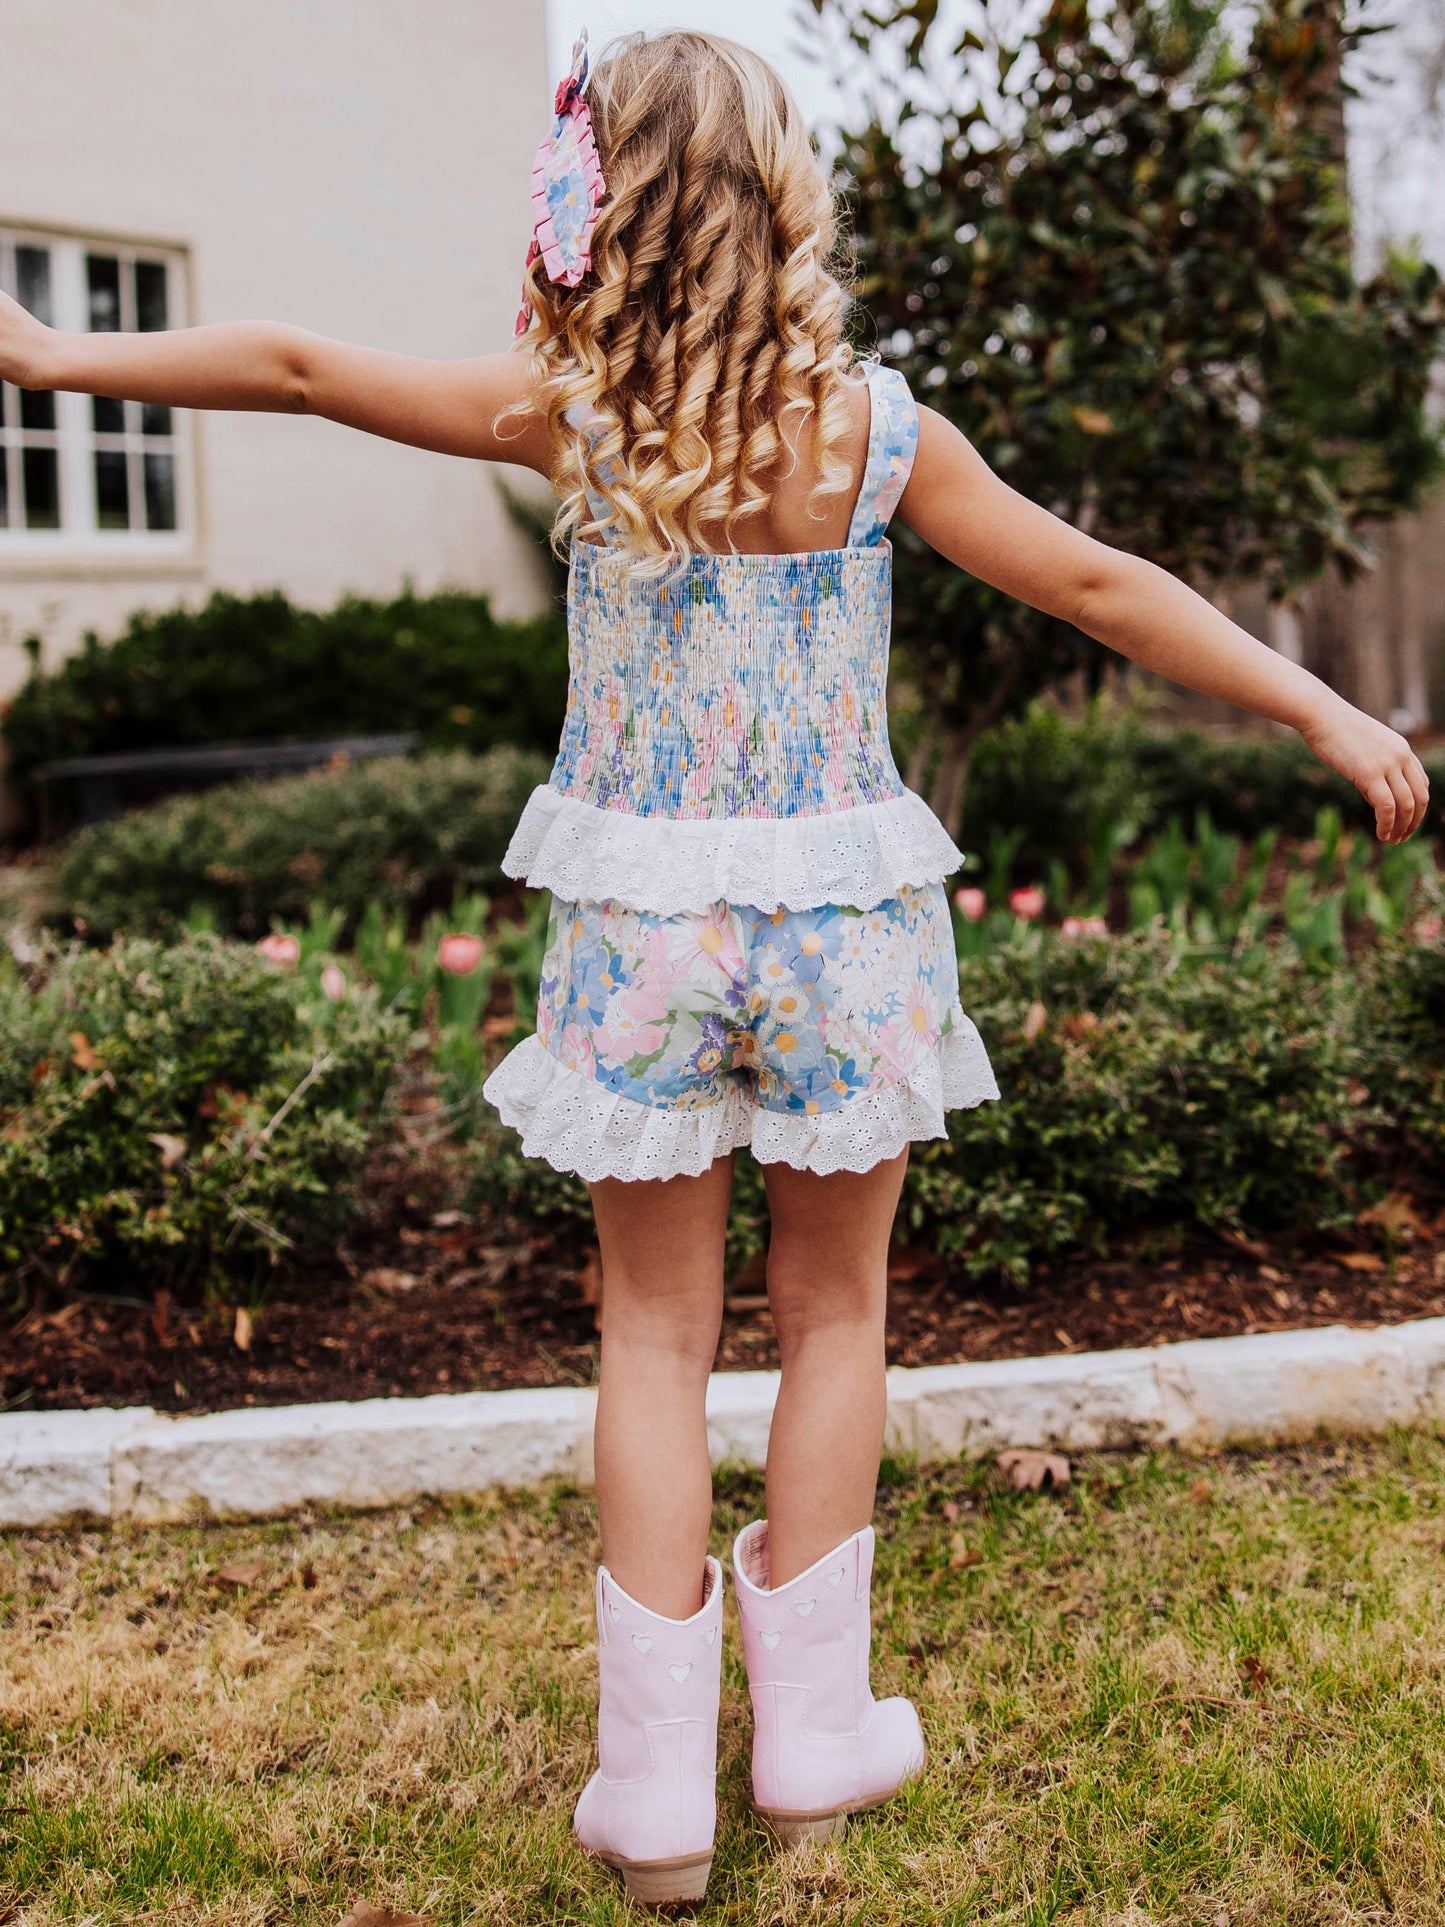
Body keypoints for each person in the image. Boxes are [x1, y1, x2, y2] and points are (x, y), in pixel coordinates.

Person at [1, 25, 1427, 1911]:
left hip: (637, 930)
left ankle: (656, 1792)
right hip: (841, 922)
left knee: (652, 1336)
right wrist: (1319, 703)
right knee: (836, 1318)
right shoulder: (872, 429)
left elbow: (290, 367)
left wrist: (46, 355)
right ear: (778, 199)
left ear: (605, 203)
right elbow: (1095, 582)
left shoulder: (571, 414)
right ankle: (814, 1741)